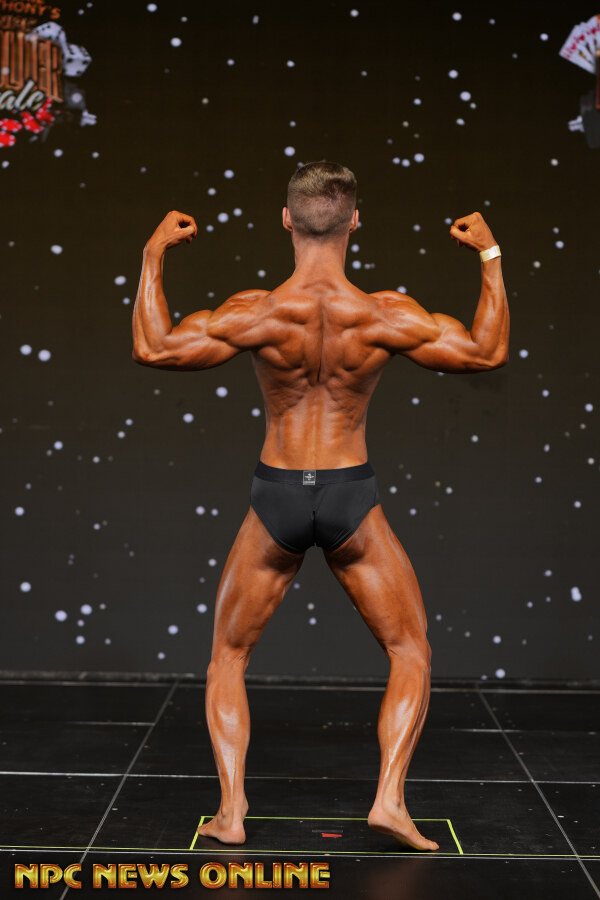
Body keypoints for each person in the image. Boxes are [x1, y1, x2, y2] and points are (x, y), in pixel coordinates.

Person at [132, 160, 509, 852]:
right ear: (354, 222)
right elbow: (487, 353)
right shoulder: (384, 314)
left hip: (276, 493)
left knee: (228, 657)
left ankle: (232, 813)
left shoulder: (257, 311)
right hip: (348, 495)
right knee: (410, 650)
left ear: (286, 220)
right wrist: (489, 254)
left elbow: (152, 347)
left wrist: (154, 254)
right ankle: (389, 801)